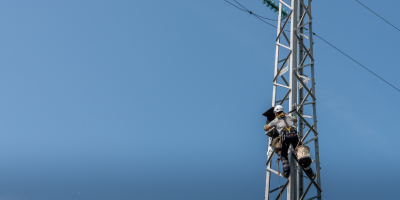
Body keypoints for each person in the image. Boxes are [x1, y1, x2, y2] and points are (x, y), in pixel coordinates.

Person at [264, 105, 314, 178]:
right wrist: (293, 116)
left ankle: (286, 172)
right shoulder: (288, 117)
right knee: (301, 153)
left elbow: (266, 128)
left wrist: (266, 124)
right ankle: (310, 173)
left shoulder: (275, 120)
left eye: (275, 112)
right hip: (294, 136)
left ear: (276, 113)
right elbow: (296, 120)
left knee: (283, 154)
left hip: (285, 138)